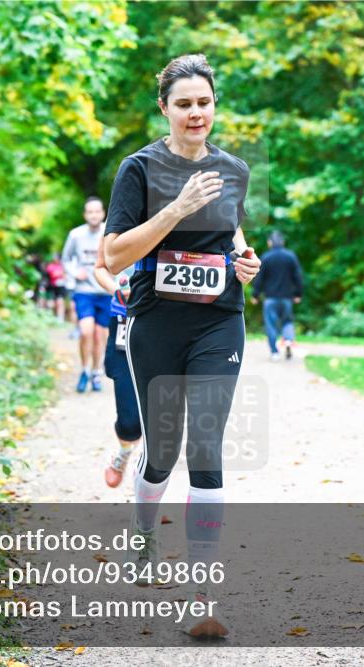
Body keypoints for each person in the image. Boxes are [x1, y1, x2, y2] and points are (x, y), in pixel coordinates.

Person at [103, 53, 260, 639]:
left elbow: (232, 231)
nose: (197, 113)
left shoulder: (233, 169)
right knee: (162, 449)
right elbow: (114, 256)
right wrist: (176, 208)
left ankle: (203, 595)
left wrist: (246, 260)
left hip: (219, 319)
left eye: (205, 102)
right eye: (185, 104)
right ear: (165, 109)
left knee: (207, 447)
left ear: (214, 105)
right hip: (156, 321)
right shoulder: (138, 169)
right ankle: (143, 540)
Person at [92, 237, 142, 487]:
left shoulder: (176, 213)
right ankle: (123, 452)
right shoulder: (121, 218)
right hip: (123, 324)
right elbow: (100, 267)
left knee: (161, 420)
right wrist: (117, 290)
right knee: (130, 423)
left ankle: (148, 495)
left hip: (164, 323)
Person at [62, 197, 112, 393]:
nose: (93, 215)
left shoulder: (110, 233)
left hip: (105, 291)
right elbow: (66, 259)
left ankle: (96, 372)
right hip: (84, 291)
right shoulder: (76, 235)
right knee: (86, 331)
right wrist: (75, 273)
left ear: (103, 213)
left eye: (97, 211)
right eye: (89, 212)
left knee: (101, 336)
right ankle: (83, 369)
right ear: (85, 214)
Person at [250, 230, 303, 361]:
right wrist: (298, 294)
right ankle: (289, 340)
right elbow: (298, 277)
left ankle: (275, 352)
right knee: (287, 321)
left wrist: (255, 295)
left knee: (271, 324)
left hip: (270, 299)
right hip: (286, 298)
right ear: (283, 242)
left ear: (269, 243)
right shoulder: (290, 256)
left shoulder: (266, 257)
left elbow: (259, 279)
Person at [45, 253, 68, 321]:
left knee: (60, 302)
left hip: (61, 287)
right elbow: (50, 275)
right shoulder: (50, 266)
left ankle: (60, 318)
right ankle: (51, 316)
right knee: (51, 303)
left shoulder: (63, 266)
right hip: (52, 287)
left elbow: (65, 275)